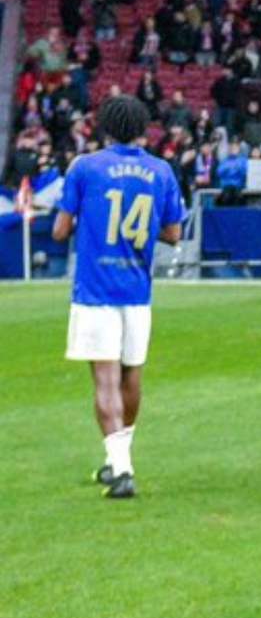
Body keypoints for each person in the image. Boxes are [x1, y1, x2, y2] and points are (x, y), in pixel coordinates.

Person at [51, 95, 188, 500]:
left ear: (104, 126)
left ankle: (122, 467)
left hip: (96, 290)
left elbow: (59, 231)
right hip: (137, 291)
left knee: (105, 379)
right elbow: (174, 234)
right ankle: (118, 461)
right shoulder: (160, 171)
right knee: (132, 376)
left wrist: (86, 221)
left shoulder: (86, 167)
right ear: (143, 127)